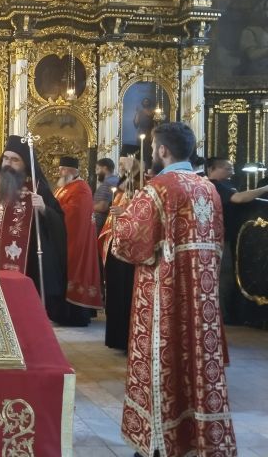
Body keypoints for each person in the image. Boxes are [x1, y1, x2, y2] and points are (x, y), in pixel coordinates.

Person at [111, 122, 237, 456]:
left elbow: (127, 244)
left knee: (164, 364)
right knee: (197, 364)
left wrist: (120, 218)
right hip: (203, 297)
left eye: (153, 149)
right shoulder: (208, 189)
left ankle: (159, 443)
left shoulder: (158, 189)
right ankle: (196, 440)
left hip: (164, 295)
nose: (153, 154)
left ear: (163, 150)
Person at [0, 135, 69, 324]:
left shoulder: (37, 187)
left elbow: (58, 221)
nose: (8, 163)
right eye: (6, 158)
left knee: (19, 315)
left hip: (25, 264)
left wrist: (44, 209)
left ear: (25, 163)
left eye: (14, 160)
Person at [206, 157, 268, 325]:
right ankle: (222, 317)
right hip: (220, 239)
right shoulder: (215, 185)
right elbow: (239, 198)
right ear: (212, 169)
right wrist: (265, 188)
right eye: (227, 168)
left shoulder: (225, 185)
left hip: (229, 239)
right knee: (224, 277)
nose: (232, 172)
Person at [53, 156, 103, 326]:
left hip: (76, 239)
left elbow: (75, 213)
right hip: (63, 238)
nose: (60, 171)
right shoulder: (64, 187)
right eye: (60, 168)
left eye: (63, 169)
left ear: (73, 171)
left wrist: (54, 213)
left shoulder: (81, 188)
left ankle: (75, 314)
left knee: (75, 271)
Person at [98, 155, 140, 351]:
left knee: (127, 294)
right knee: (116, 293)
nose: (121, 167)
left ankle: (127, 340)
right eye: (120, 164)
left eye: (125, 163)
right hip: (116, 243)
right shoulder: (123, 186)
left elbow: (143, 215)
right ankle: (117, 338)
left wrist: (125, 213)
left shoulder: (142, 184)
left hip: (131, 250)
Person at [93, 158, 119, 234]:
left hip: (102, 223)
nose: (96, 172)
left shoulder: (108, 183)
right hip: (110, 222)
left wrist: (87, 206)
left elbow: (102, 207)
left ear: (105, 168)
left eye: (98, 169)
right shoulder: (117, 180)